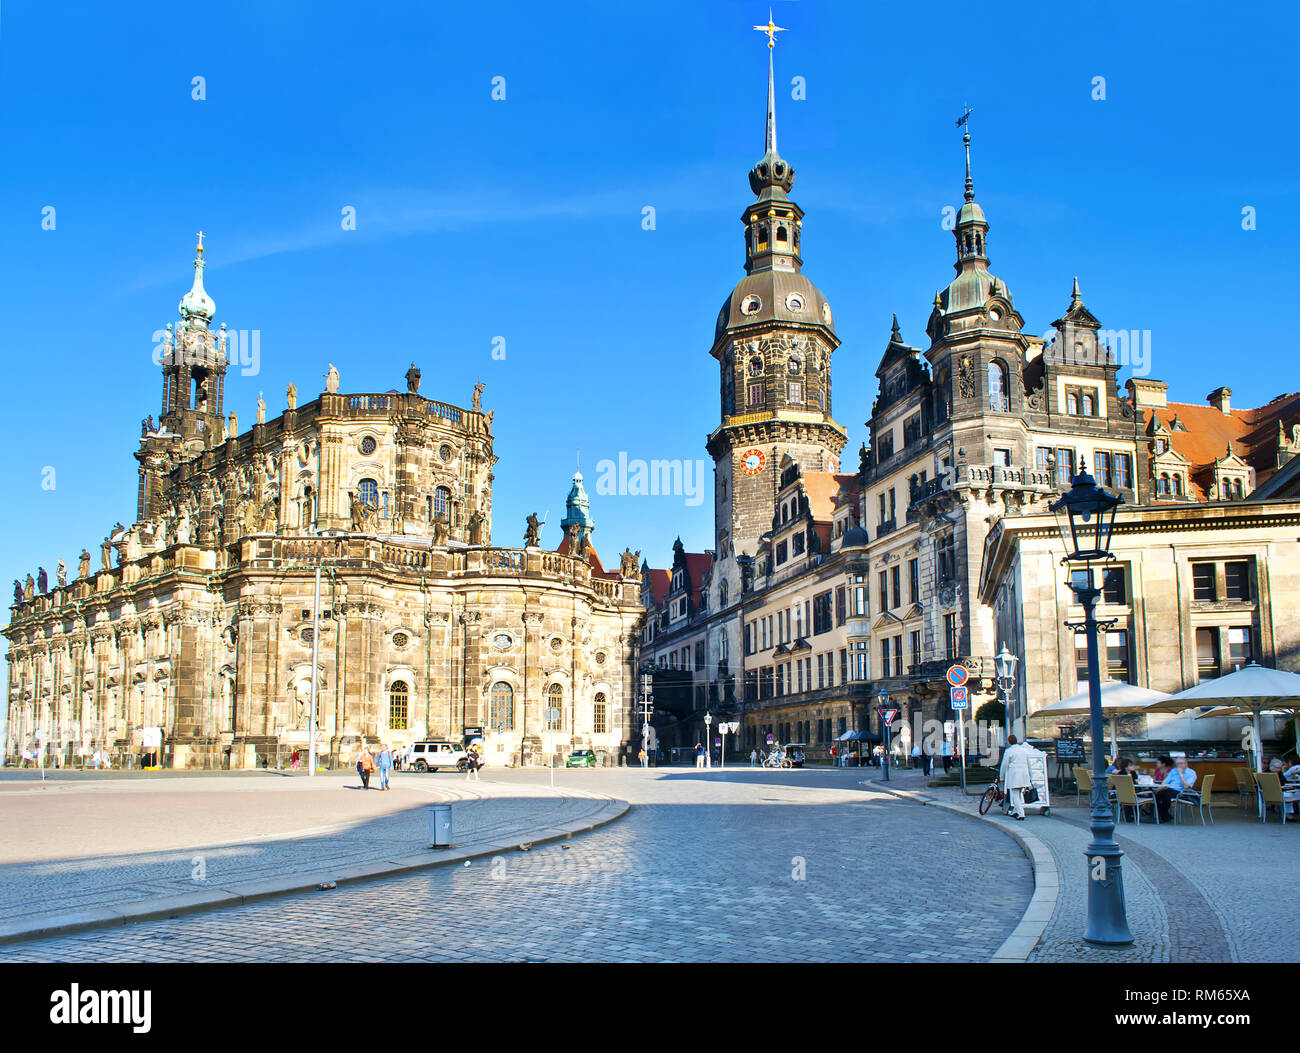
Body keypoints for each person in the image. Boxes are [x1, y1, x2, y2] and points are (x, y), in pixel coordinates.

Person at [999, 734, 1033, 820]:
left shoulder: (1009, 751)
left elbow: (1004, 765)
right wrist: (1031, 777)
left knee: (1015, 795)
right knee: (1018, 793)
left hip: (1014, 776)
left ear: (1009, 742)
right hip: (1024, 775)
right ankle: (1014, 811)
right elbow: (1029, 764)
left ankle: (1021, 814)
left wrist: (1001, 777)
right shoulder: (1024, 750)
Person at [1154, 755, 1196, 822]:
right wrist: (1158, 788)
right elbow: (1165, 782)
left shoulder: (1191, 773)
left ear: (1186, 763)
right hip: (1169, 789)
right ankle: (1161, 815)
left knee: (1165, 795)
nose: (1179, 765)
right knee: (1155, 794)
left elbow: (1186, 786)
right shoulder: (1173, 771)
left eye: (1181, 763)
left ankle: (1163, 815)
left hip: (1181, 791)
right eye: (1178, 764)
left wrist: (1181, 774)